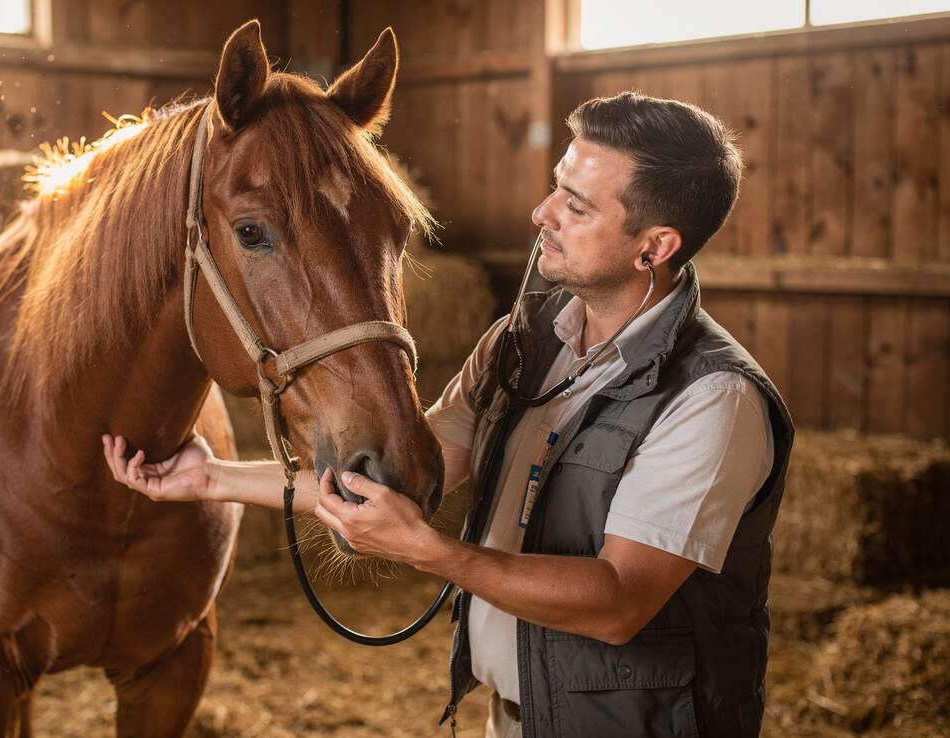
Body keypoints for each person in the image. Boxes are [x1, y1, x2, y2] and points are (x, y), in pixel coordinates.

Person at [103, 92, 794, 738]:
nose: (541, 214)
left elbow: (617, 603)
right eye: (556, 184)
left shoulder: (712, 398)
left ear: (655, 247)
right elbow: (404, 475)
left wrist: (430, 552)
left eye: (577, 207)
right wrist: (211, 479)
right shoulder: (524, 342)